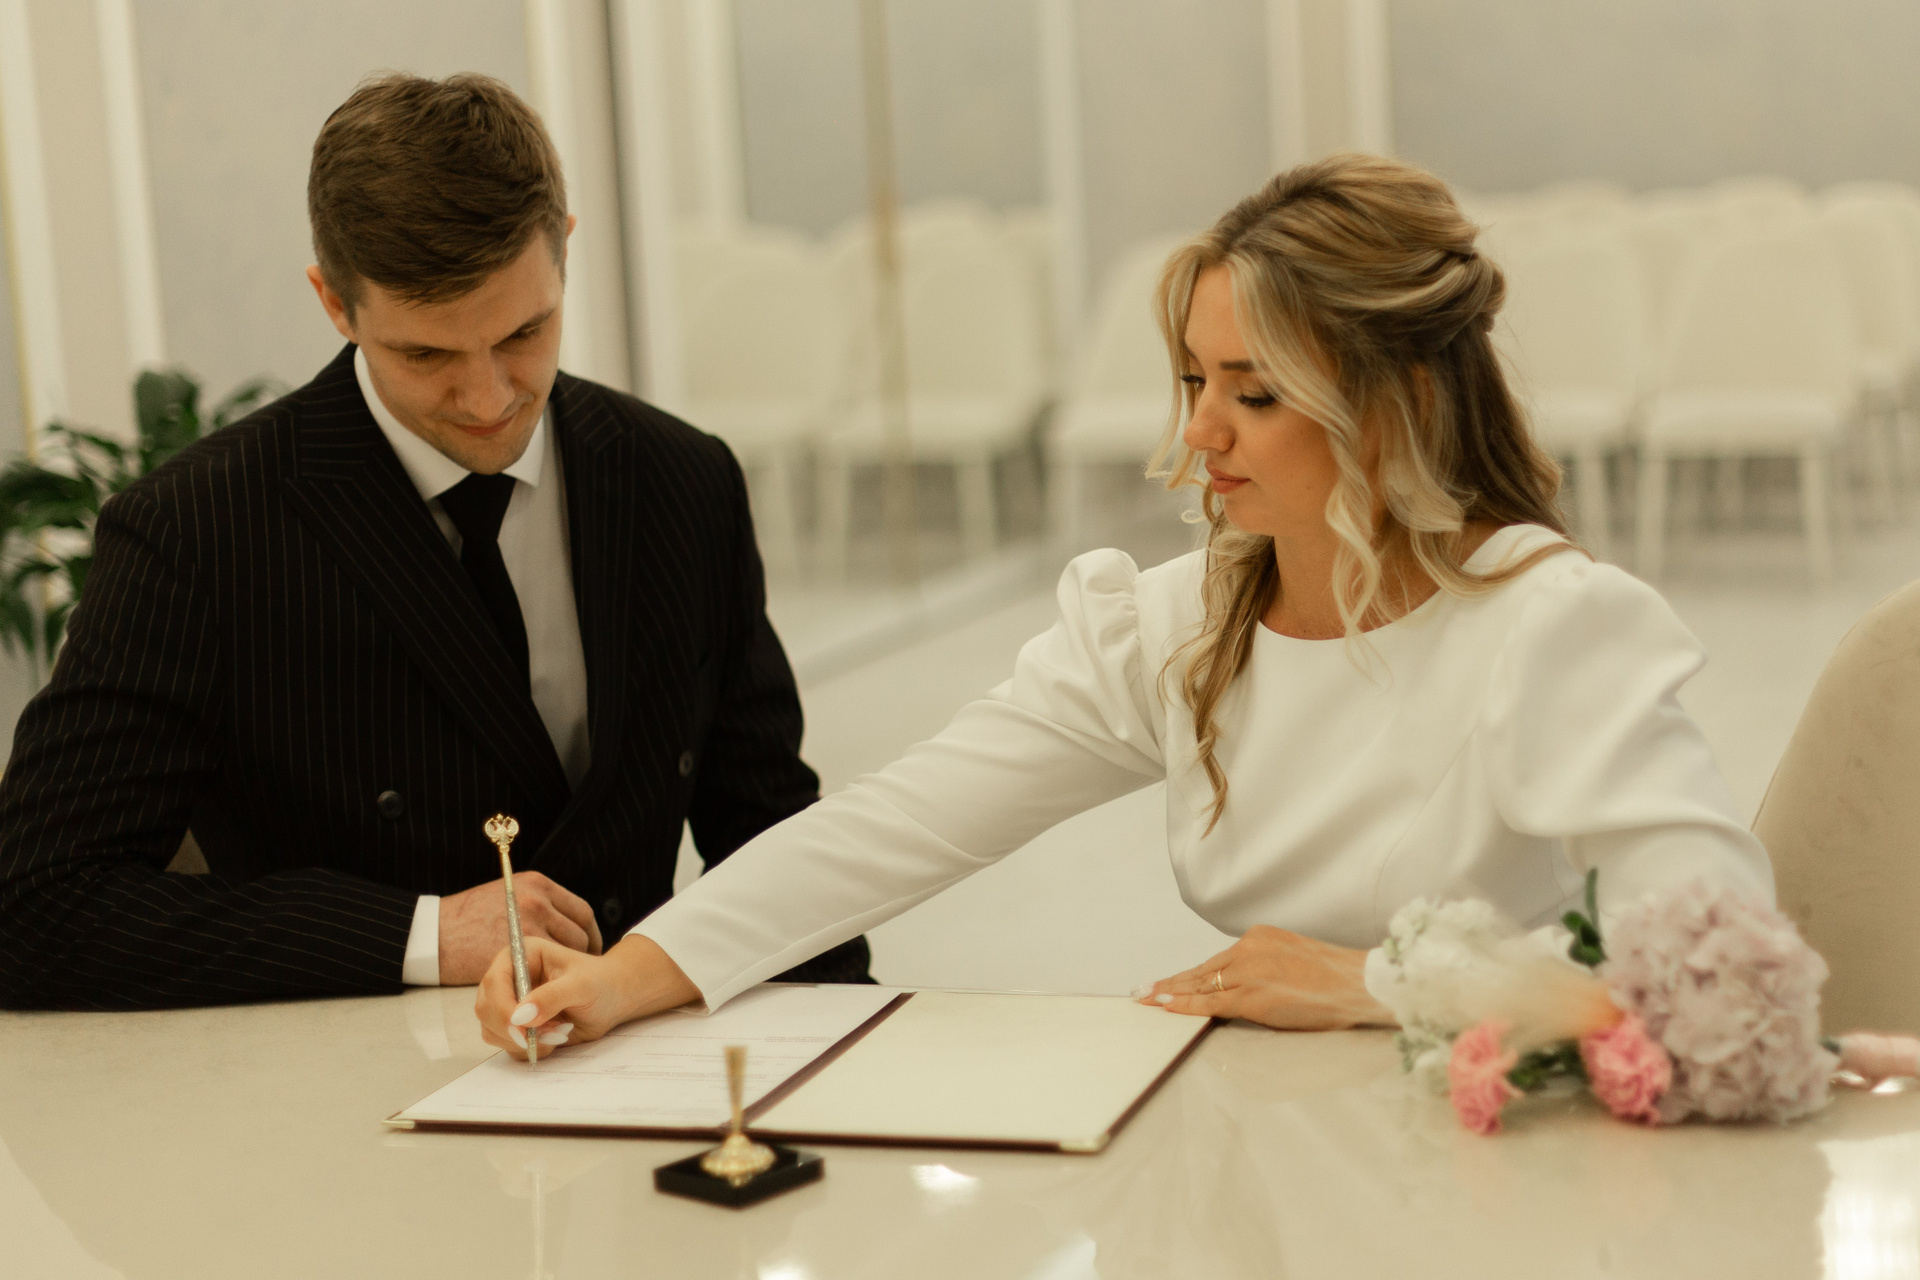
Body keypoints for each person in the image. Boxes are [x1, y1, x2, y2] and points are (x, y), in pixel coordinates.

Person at [475, 153, 1770, 1055]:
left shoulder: (1549, 627)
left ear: (1399, 404)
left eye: (1254, 393)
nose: (1200, 430)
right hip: (1272, 1136)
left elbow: (1729, 970)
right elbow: (898, 824)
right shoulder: (1182, 624)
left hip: (1507, 1156)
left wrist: (1380, 985)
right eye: (1195, 379)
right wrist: (631, 975)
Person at [0, 73, 869, 1008]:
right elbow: (33, 903)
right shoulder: (198, 529)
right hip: (350, 1074)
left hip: (635, 1062)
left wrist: (854, 1054)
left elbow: (776, 846)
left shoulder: (682, 480)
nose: (489, 398)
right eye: (426, 354)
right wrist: (421, 935)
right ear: (335, 304)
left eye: (525, 332)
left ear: (565, 253)